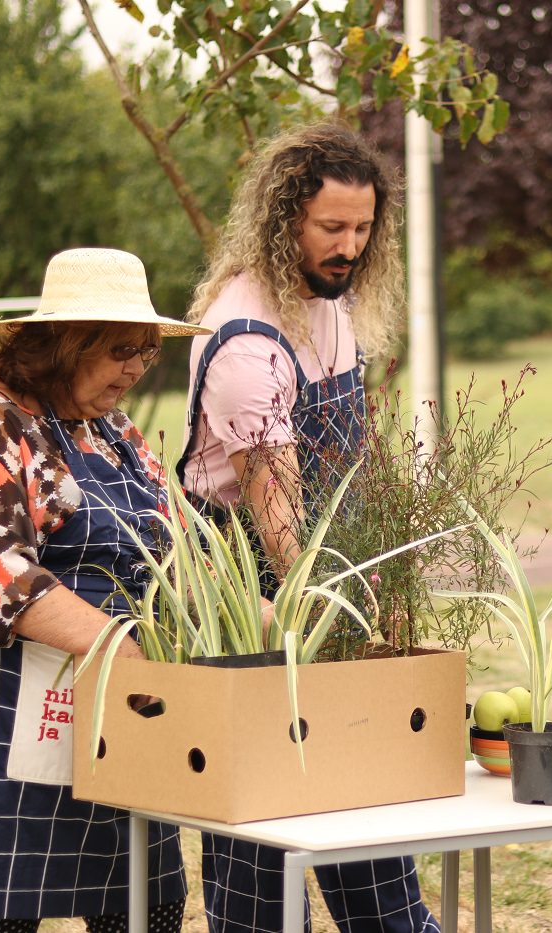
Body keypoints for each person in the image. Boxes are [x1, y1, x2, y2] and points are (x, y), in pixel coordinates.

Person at [0, 247, 213, 933]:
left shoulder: (111, 429)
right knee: (0, 908)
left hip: (103, 677)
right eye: (122, 349)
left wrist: (260, 618)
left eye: (148, 351)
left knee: (143, 897)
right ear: (65, 342)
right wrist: (122, 649)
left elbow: (176, 545)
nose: (137, 368)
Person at [178, 123, 436, 932]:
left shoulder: (329, 304)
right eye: (331, 227)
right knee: (261, 830)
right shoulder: (246, 345)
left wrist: (384, 576)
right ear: (285, 217)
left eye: (363, 228)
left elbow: (352, 462)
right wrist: (349, 616)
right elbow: (282, 521)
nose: (349, 246)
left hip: (332, 572)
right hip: (255, 592)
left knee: (360, 801)